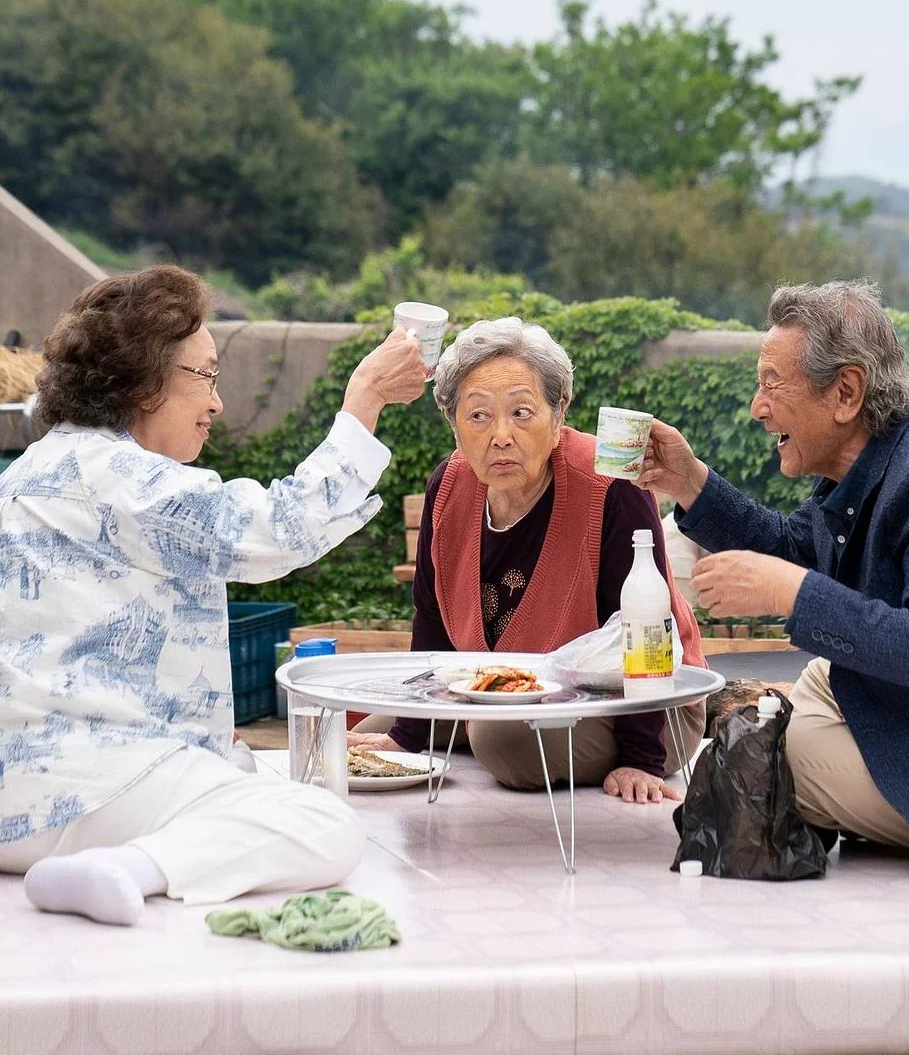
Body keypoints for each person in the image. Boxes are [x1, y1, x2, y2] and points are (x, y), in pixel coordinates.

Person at [0, 265, 426, 924]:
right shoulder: (125, 479)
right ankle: (127, 869)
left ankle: (111, 862)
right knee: (325, 822)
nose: (218, 403)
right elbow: (283, 528)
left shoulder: (25, 475)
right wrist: (365, 398)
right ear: (143, 382)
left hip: (19, 797)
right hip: (94, 791)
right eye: (206, 376)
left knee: (252, 777)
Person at [640, 279, 909, 881]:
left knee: (777, 754)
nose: (757, 408)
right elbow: (797, 547)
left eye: (771, 383)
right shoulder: (877, 457)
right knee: (819, 681)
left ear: (846, 392)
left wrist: (790, 593)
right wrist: (690, 483)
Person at [349, 316, 707, 803]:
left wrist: (641, 759)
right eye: (478, 415)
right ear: (453, 424)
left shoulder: (611, 485)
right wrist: (408, 737)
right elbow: (431, 619)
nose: (501, 435)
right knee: (365, 733)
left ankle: (485, 728)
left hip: (637, 701)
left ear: (559, 413)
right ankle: (469, 724)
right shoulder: (448, 486)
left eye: (522, 412)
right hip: (497, 689)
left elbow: (641, 630)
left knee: (503, 740)